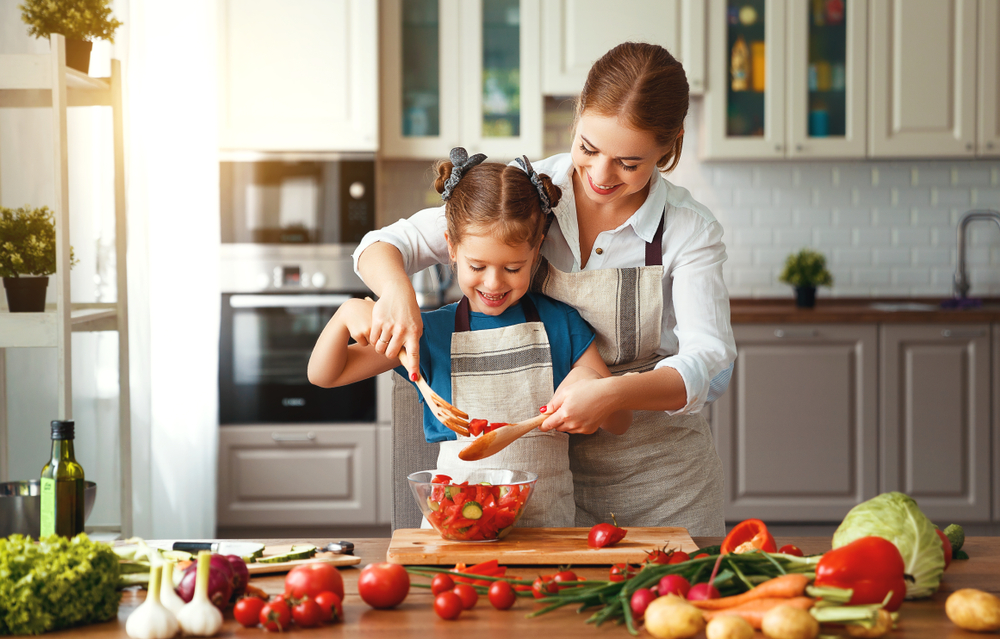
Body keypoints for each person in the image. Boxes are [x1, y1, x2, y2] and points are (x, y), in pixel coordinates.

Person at [352, 42, 737, 536]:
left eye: (629, 162)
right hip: (539, 487)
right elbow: (382, 244)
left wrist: (610, 393)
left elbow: (711, 363)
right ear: (578, 116)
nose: (600, 175)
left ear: (669, 146)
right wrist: (396, 293)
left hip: (661, 482)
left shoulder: (688, 229)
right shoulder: (532, 192)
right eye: (588, 148)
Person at [309, 148, 631, 528]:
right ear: (451, 247)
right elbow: (326, 374)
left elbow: (620, 420)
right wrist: (345, 314)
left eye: (513, 268)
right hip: (455, 532)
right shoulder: (429, 334)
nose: (494, 283)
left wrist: (591, 386)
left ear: (537, 249)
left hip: (547, 535)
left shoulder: (562, 323)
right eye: (477, 266)